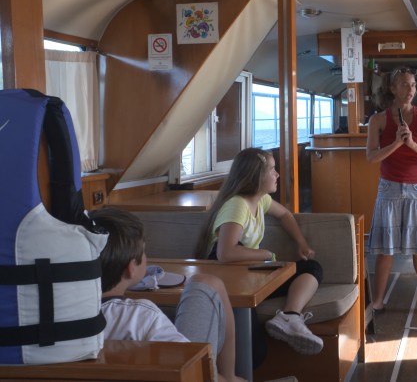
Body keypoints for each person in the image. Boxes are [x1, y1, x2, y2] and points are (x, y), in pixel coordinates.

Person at [91, 208, 246, 382]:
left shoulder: (68, 317)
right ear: (131, 268)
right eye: (143, 252)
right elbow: (193, 371)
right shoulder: (142, 315)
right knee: (207, 283)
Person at [203, 147, 324, 355]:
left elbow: (285, 215)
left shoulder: (261, 200)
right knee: (256, 352)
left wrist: (301, 243)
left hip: (249, 276)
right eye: (272, 169)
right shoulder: (237, 205)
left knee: (311, 268)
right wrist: (266, 255)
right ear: (256, 176)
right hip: (230, 281)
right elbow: (225, 253)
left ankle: (290, 317)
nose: (277, 174)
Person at [366, 66, 417, 320]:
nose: (410, 89)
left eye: (412, 84)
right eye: (403, 84)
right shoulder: (378, 120)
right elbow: (371, 157)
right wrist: (396, 143)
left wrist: (410, 143)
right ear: (392, 88)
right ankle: (377, 302)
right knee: (385, 251)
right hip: (389, 189)